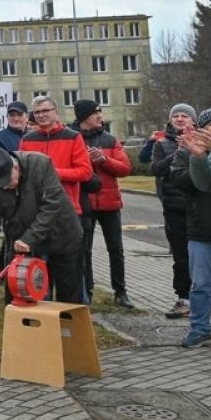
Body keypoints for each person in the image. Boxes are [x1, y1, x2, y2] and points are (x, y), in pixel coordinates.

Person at [0, 148, 84, 304]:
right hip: (22, 242)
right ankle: (28, 327)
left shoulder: (40, 164)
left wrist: (29, 238)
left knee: (68, 294)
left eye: (7, 181)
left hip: (62, 234)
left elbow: (52, 205)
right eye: (0, 184)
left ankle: (67, 326)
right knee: (20, 290)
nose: (4, 187)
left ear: (15, 167)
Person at [72, 99, 135, 309]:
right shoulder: (73, 139)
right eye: (95, 113)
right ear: (84, 118)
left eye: (100, 113)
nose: (100, 116)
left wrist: (104, 160)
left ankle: (121, 292)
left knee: (116, 249)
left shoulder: (110, 139)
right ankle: (86, 291)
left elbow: (125, 168)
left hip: (110, 204)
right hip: (85, 204)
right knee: (84, 250)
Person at [150, 104, 197, 318]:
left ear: (193, 121)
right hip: (174, 208)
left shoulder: (204, 139)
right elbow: (157, 169)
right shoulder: (161, 143)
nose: (180, 119)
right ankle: (183, 299)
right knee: (180, 256)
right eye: (175, 116)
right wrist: (178, 152)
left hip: (199, 208)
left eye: (184, 115)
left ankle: (203, 297)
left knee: (202, 255)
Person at [19, 95, 93, 214]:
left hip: (65, 207)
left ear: (56, 112)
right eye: (37, 112)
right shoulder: (26, 140)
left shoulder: (73, 137)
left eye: (45, 110)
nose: (41, 115)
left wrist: (55, 173)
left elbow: (85, 172)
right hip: (36, 208)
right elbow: (22, 172)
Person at [178, 113, 211, 348]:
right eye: (208, 127)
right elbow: (198, 183)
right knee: (200, 284)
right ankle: (200, 328)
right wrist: (199, 156)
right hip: (201, 229)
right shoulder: (186, 149)